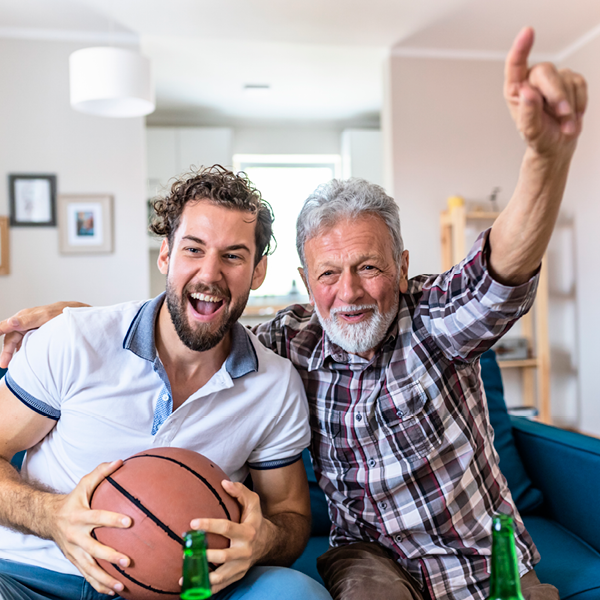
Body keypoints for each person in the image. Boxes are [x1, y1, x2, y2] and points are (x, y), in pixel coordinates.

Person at [0, 26, 587, 600]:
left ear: (402, 268)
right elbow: (196, 320)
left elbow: (502, 267)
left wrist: (546, 158)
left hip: (478, 556)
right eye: (328, 274)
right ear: (305, 283)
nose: (349, 292)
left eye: (370, 267)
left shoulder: (426, 322)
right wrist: (78, 319)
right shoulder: (286, 339)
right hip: (366, 560)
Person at [0, 166, 332, 600]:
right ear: (165, 256)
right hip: (32, 575)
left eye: (233, 255)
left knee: (297, 595)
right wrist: (52, 515)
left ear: (258, 271)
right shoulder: (74, 339)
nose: (209, 274)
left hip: (186, 591)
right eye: (193, 249)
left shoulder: (274, 385)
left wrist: (263, 542)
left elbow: (289, 514)